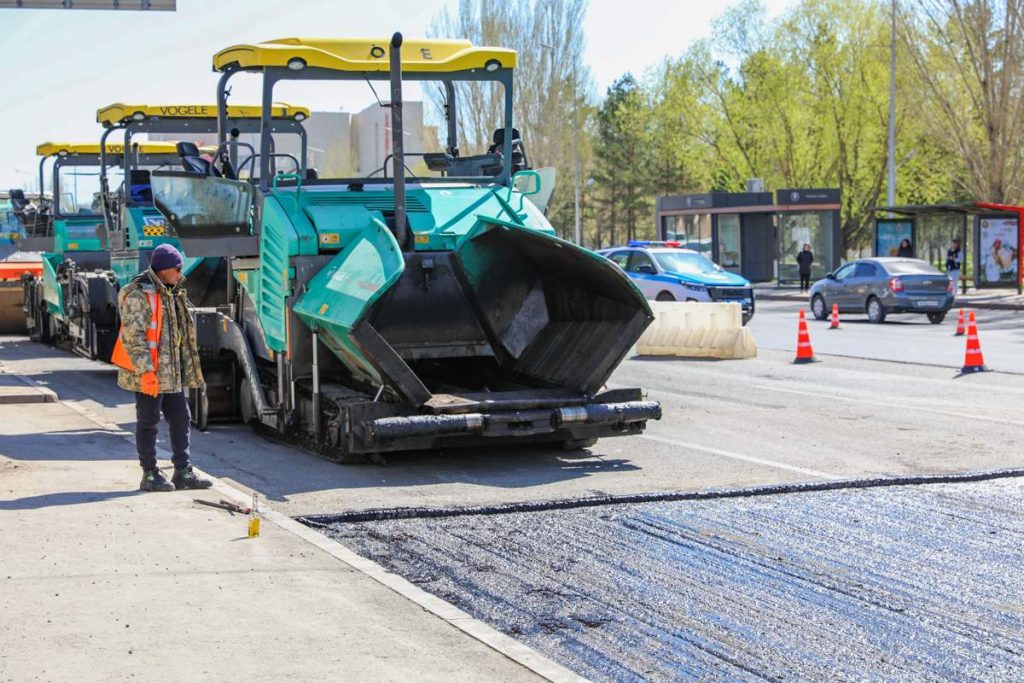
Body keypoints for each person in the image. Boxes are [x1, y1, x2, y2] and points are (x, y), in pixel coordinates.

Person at [111, 243, 211, 492]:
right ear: (165, 269)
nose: (180, 272)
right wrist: (146, 373)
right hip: (150, 374)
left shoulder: (173, 291)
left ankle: (183, 471)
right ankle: (150, 473)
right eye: (177, 268)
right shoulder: (139, 294)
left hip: (171, 374)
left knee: (181, 418)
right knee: (148, 421)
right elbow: (134, 338)